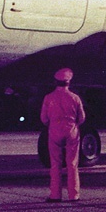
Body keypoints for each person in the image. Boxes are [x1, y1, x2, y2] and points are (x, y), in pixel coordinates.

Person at [40, 67, 86, 202]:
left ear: (55, 82)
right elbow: (82, 118)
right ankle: (74, 195)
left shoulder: (48, 98)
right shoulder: (75, 98)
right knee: (72, 164)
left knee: (55, 164)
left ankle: (55, 195)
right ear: (68, 82)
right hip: (71, 131)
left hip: (54, 131)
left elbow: (44, 118)